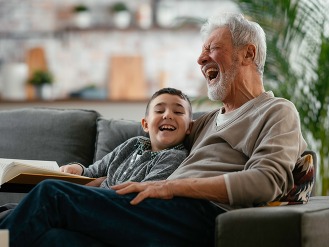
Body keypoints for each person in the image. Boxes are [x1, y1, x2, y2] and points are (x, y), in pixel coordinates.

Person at [0, 13, 307, 247]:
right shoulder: (207, 121)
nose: (200, 59)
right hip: (159, 211)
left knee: (52, 195)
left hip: (198, 214)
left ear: (248, 54)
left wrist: (169, 187)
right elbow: (150, 142)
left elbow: (267, 181)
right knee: (55, 239)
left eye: (212, 49)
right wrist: (87, 173)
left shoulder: (276, 111)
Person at [60, 87, 193, 188]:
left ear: (189, 128)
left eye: (178, 112)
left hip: (113, 206)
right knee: (50, 185)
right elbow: (93, 171)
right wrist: (79, 169)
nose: (168, 115)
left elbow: (143, 193)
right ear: (145, 124)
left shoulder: (175, 156)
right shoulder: (132, 144)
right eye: (159, 111)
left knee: (49, 189)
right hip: (96, 197)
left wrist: (98, 186)